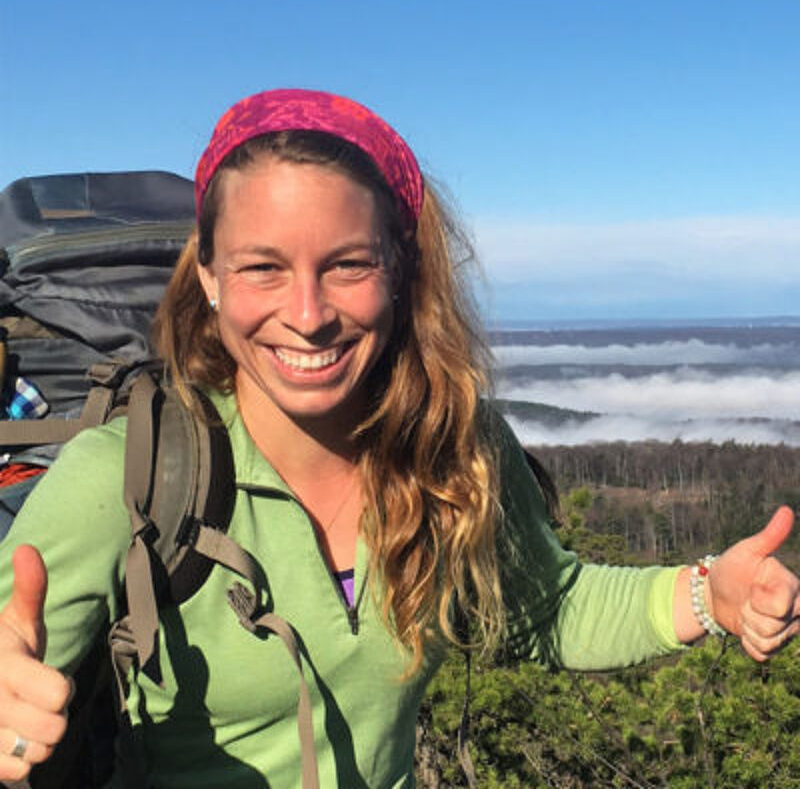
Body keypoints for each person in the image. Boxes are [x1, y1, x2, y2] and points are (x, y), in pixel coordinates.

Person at [0, 88, 798, 788]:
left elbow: (548, 608)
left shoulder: (452, 448)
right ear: (208, 276)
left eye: (348, 265)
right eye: (262, 268)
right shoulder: (127, 477)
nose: (308, 314)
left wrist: (708, 594)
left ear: (401, 270)